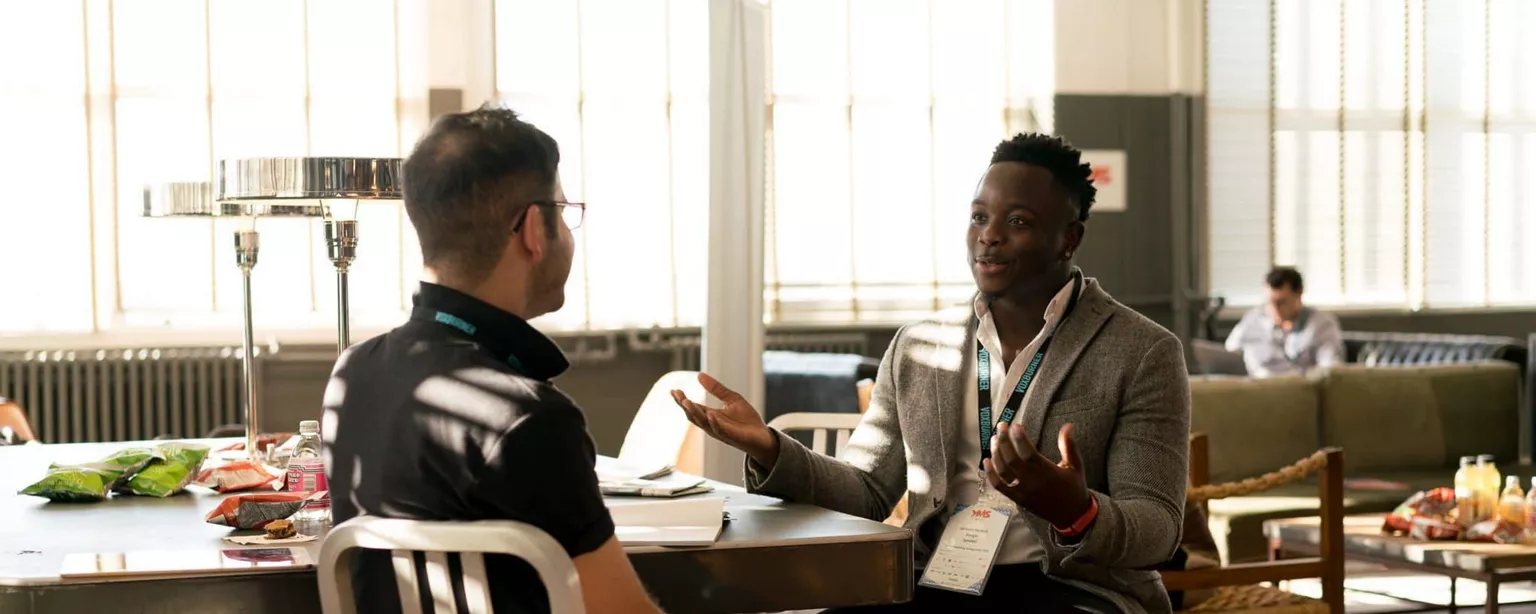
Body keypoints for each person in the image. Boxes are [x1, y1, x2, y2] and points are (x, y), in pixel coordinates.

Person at [673, 134, 1191, 613]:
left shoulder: (1143, 351)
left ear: (1068, 238)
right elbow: (867, 491)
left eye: (1018, 222)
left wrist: (1075, 511)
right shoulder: (920, 345)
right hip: (937, 580)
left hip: (1071, 588)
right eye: (978, 216)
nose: (987, 238)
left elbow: (1159, 527)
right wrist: (769, 447)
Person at [323, 106, 664, 614]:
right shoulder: (530, 419)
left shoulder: (353, 374)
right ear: (532, 229)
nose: (569, 234)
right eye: (565, 213)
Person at [1223, 266, 1345, 377]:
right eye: (1271, 302)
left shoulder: (1321, 325)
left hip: (1297, 388)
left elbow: (1330, 369)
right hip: (1255, 389)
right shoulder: (1254, 320)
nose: (1275, 309)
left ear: (1299, 293)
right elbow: (1228, 354)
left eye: (1282, 302)